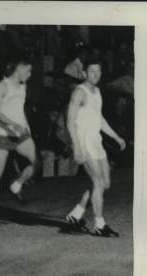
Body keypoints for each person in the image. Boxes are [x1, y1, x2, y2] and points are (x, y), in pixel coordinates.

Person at [63, 56, 127, 238]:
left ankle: (76, 214)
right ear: (84, 73)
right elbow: (69, 121)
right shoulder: (79, 92)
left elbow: (99, 119)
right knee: (98, 182)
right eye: (91, 71)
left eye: (98, 71)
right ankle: (99, 224)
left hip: (96, 141)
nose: (95, 74)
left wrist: (116, 136)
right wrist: (77, 147)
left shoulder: (97, 91)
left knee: (104, 183)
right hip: (84, 142)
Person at [0, 56, 36, 228]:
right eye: (28, 71)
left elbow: (20, 110)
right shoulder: (2, 85)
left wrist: (26, 127)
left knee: (36, 163)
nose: (29, 75)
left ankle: (17, 184)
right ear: (20, 68)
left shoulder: (23, 87)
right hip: (3, 134)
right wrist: (14, 125)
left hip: (21, 133)